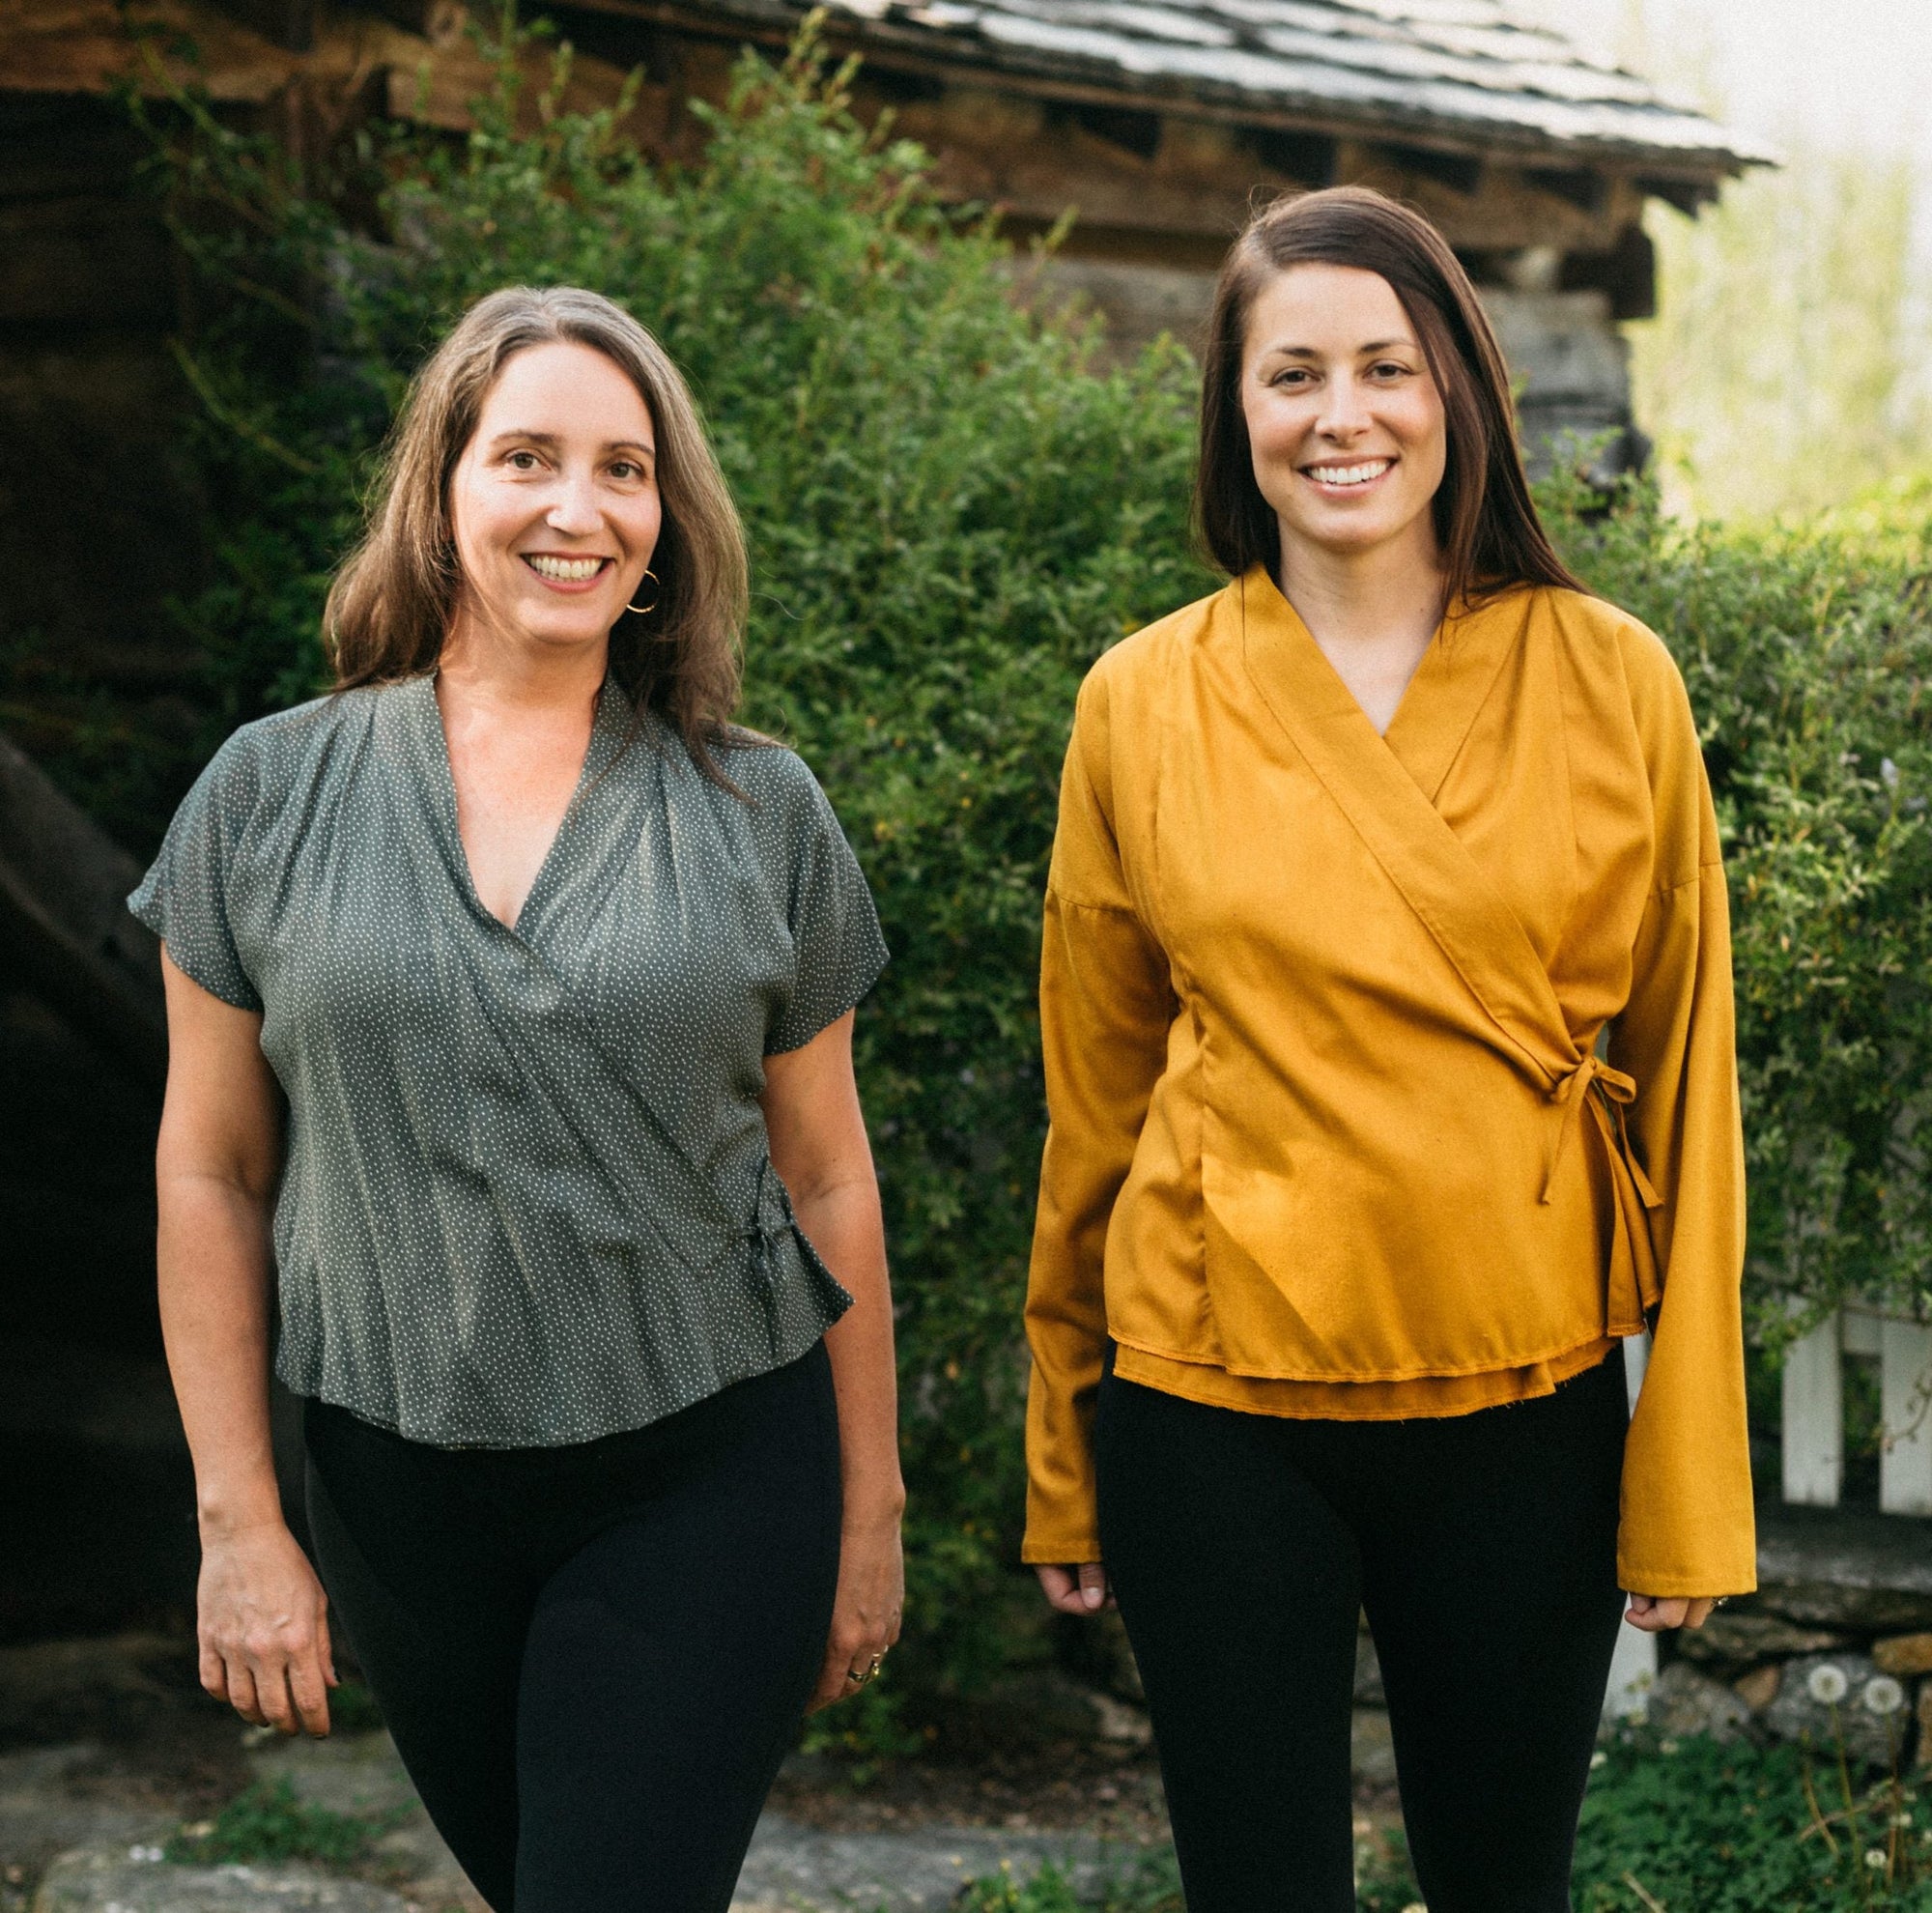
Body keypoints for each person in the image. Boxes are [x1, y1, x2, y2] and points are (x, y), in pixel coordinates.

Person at [1022, 186, 1754, 1913]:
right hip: (1210, 1398)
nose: (1341, 416)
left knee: (1509, 1888)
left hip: (1528, 1384)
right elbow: (1095, 1107)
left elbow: (1692, 1081)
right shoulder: (1140, 699)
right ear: (1237, 413)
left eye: (1385, 368)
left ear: (1460, 396)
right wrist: (1067, 1458)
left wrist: (1690, 1481)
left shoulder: (1612, 679)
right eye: (1292, 376)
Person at [131, 285, 904, 1913]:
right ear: (443, 491)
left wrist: (871, 1506)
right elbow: (208, 1172)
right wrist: (239, 1521)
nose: (579, 510)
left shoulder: (758, 807)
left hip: (710, 1466)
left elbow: (829, 1180)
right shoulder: (266, 795)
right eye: (529, 458)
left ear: (666, 521)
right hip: (397, 1493)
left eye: (625, 471)